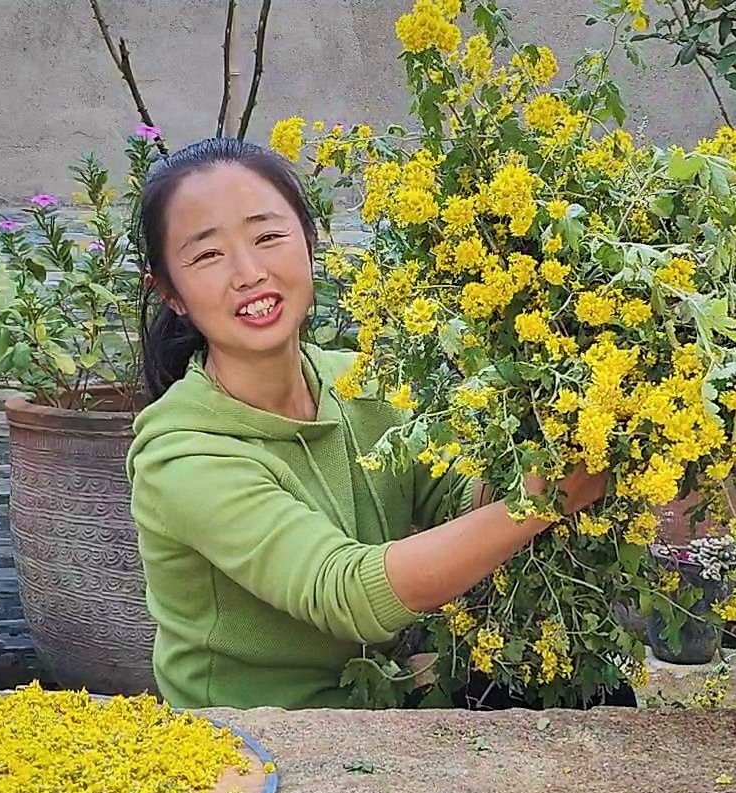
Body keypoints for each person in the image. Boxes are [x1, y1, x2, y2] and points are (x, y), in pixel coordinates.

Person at [126, 137, 621, 710]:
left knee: (599, 695)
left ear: (309, 243)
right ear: (171, 293)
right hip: (258, 743)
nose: (249, 272)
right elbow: (346, 593)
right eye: (208, 256)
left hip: (386, 699)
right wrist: (540, 502)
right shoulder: (180, 454)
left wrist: (549, 435)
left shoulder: (362, 382)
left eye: (268, 236)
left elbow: (460, 497)